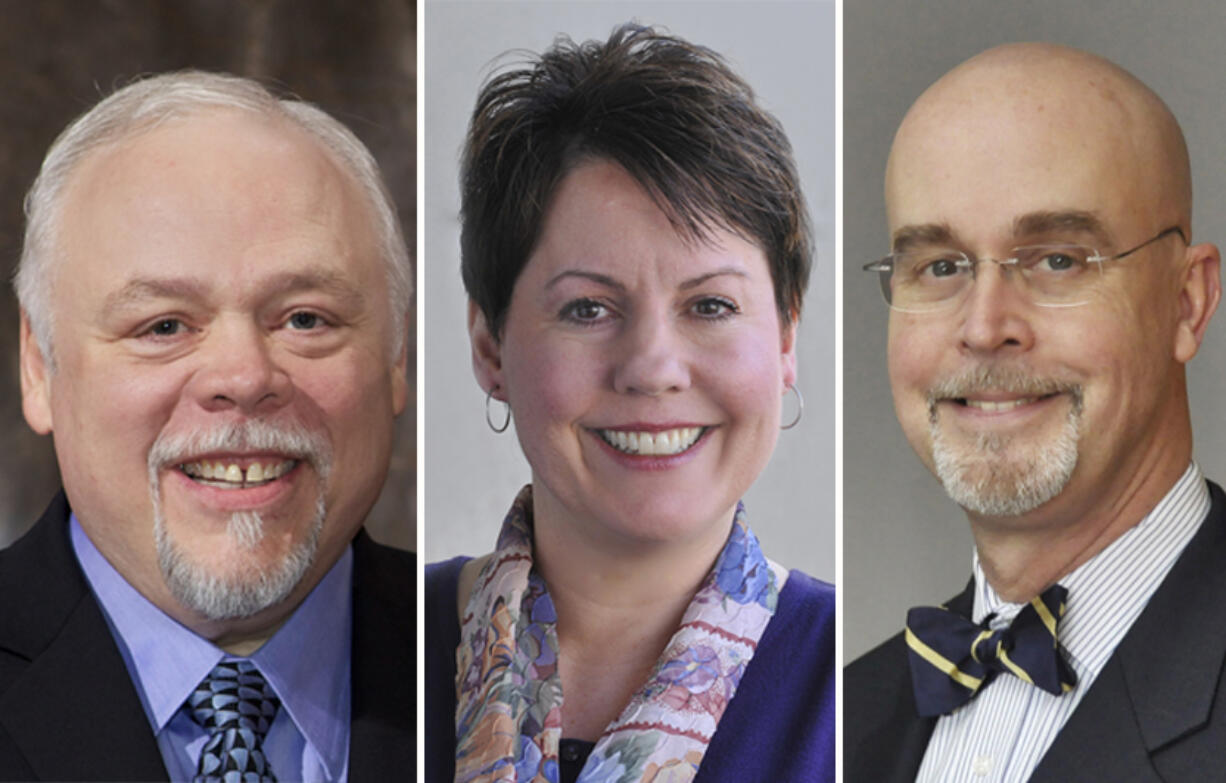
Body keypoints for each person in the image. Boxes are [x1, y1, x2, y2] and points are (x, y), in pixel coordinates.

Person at [424, 23, 835, 783]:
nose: (652, 368)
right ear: (489, 346)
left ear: (786, 339)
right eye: (587, 309)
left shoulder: (852, 685)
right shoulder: (371, 650)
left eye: (710, 305)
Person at [1, 71, 414, 782]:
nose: (244, 376)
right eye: (163, 325)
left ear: (397, 355)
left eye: (305, 318)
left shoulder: (495, 668)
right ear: (39, 364)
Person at [845, 43, 1225, 782]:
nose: (986, 327)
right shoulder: (845, 714)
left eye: (1057, 259)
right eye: (941, 266)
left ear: (1187, 301)